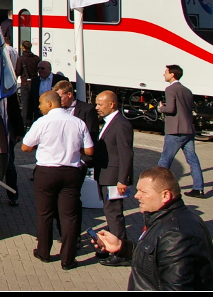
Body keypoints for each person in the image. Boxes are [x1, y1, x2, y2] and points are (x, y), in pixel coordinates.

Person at [92, 167, 213, 290]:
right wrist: (122, 247)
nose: (136, 196)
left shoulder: (175, 235)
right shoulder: (166, 219)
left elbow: (176, 287)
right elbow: (155, 257)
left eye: (143, 192)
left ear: (165, 195)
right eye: (137, 190)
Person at [21, 91, 94, 270]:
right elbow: (90, 151)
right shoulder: (78, 122)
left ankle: (44, 252)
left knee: (45, 213)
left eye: (41, 103)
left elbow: (25, 147)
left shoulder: (42, 122)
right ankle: (68, 259)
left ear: (50, 104)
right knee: (69, 216)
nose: (39, 107)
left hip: (46, 172)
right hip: (71, 172)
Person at [92, 90, 133, 267]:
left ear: (112, 104)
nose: (97, 108)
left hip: (114, 178)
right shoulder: (109, 122)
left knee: (114, 214)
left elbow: (126, 154)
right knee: (109, 213)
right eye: (96, 104)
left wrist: (123, 179)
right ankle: (110, 246)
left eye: (100, 104)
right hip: (105, 176)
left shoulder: (121, 124)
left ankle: (121, 252)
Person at [157, 65, 205, 197]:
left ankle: (157, 187)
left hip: (175, 131)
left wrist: (161, 108)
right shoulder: (187, 90)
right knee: (192, 160)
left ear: (172, 74)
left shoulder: (170, 89)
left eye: (166, 72)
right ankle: (198, 188)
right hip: (188, 129)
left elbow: (171, 109)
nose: (164, 75)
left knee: (164, 161)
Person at [26, 60, 63, 128]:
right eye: (38, 69)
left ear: (49, 69)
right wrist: (29, 117)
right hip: (40, 112)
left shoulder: (59, 79)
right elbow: (31, 99)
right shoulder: (35, 81)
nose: (40, 70)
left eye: (42, 68)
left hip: (54, 112)